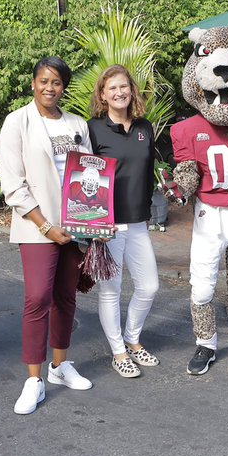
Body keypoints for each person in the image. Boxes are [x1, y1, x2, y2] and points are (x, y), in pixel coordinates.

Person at [0, 57, 94, 414]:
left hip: (75, 228)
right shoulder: (17, 122)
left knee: (66, 298)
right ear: (33, 83)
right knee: (37, 298)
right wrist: (45, 227)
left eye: (56, 82)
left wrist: (92, 222)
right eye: (43, 81)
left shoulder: (77, 124)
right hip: (38, 226)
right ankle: (33, 380)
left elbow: (90, 177)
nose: (49, 88)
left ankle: (60, 366)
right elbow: (14, 185)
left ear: (63, 87)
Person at [86, 65, 161, 379]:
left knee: (149, 286)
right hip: (109, 225)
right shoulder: (93, 129)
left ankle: (132, 339)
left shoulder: (145, 127)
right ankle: (118, 351)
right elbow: (84, 176)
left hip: (139, 222)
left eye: (124, 87)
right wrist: (94, 223)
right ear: (103, 95)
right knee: (111, 291)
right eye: (112, 88)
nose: (119, 93)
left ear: (132, 90)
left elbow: (148, 172)